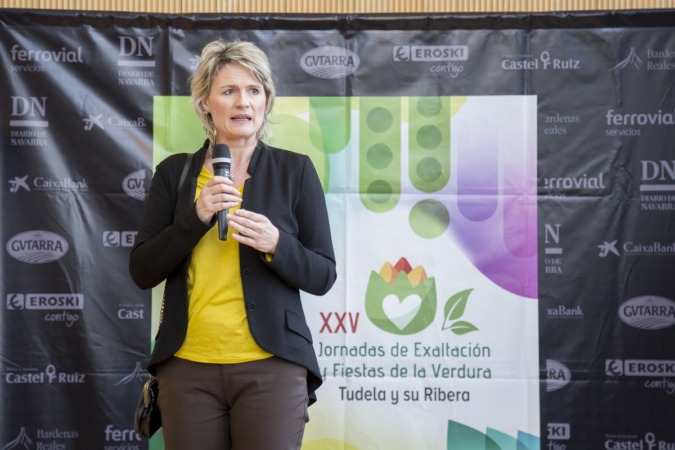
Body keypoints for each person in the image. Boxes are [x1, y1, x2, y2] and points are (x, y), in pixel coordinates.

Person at [129, 39, 337, 450]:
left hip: (272, 366)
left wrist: (277, 243)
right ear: (206, 102)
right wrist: (195, 218)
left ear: (266, 101)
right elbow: (143, 270)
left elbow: (323, 274)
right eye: (229, 91)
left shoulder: (294, 170)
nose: (243, 102)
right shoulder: (175, 173)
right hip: (187, 369)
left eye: (254, 90)